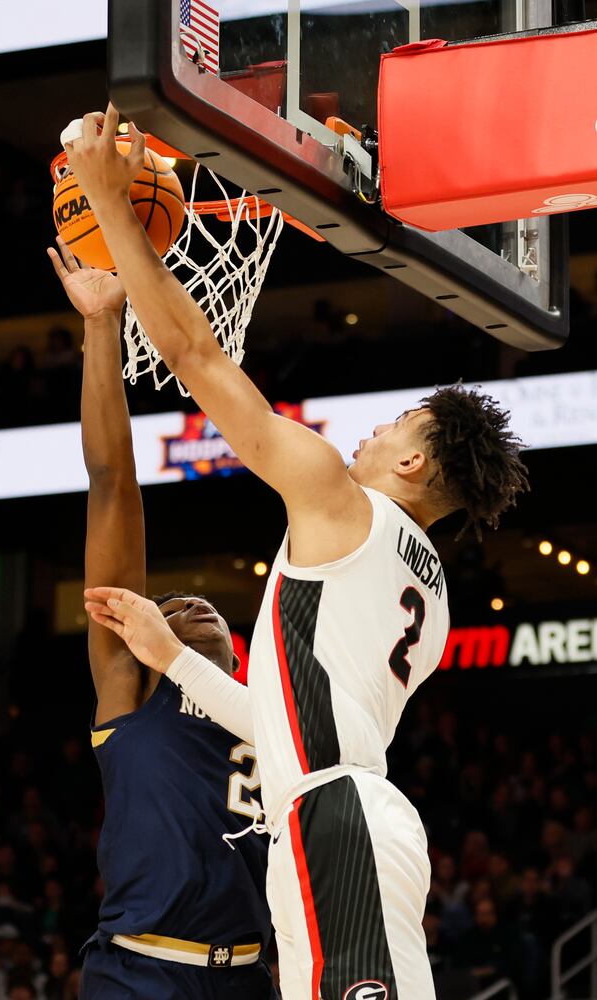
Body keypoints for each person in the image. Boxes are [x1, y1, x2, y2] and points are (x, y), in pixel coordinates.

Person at [70, 104, 529, 1000]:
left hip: (335, 822)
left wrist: (110, 205)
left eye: (397, 422)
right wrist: (174, 661)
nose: (373, 428)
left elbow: (196, 354)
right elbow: (281, 728)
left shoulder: (337, 497)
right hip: (337, 814)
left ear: (412, 462)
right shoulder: (426, 599)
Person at [47, 239, 274, 1000]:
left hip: (251, 977)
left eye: (197, 606)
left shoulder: (271, 705)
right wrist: (103, 326)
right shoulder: (135, 692)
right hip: (141, 973)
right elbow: (111, 484)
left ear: (236, 652)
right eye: (168, 610)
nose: (186, 606)